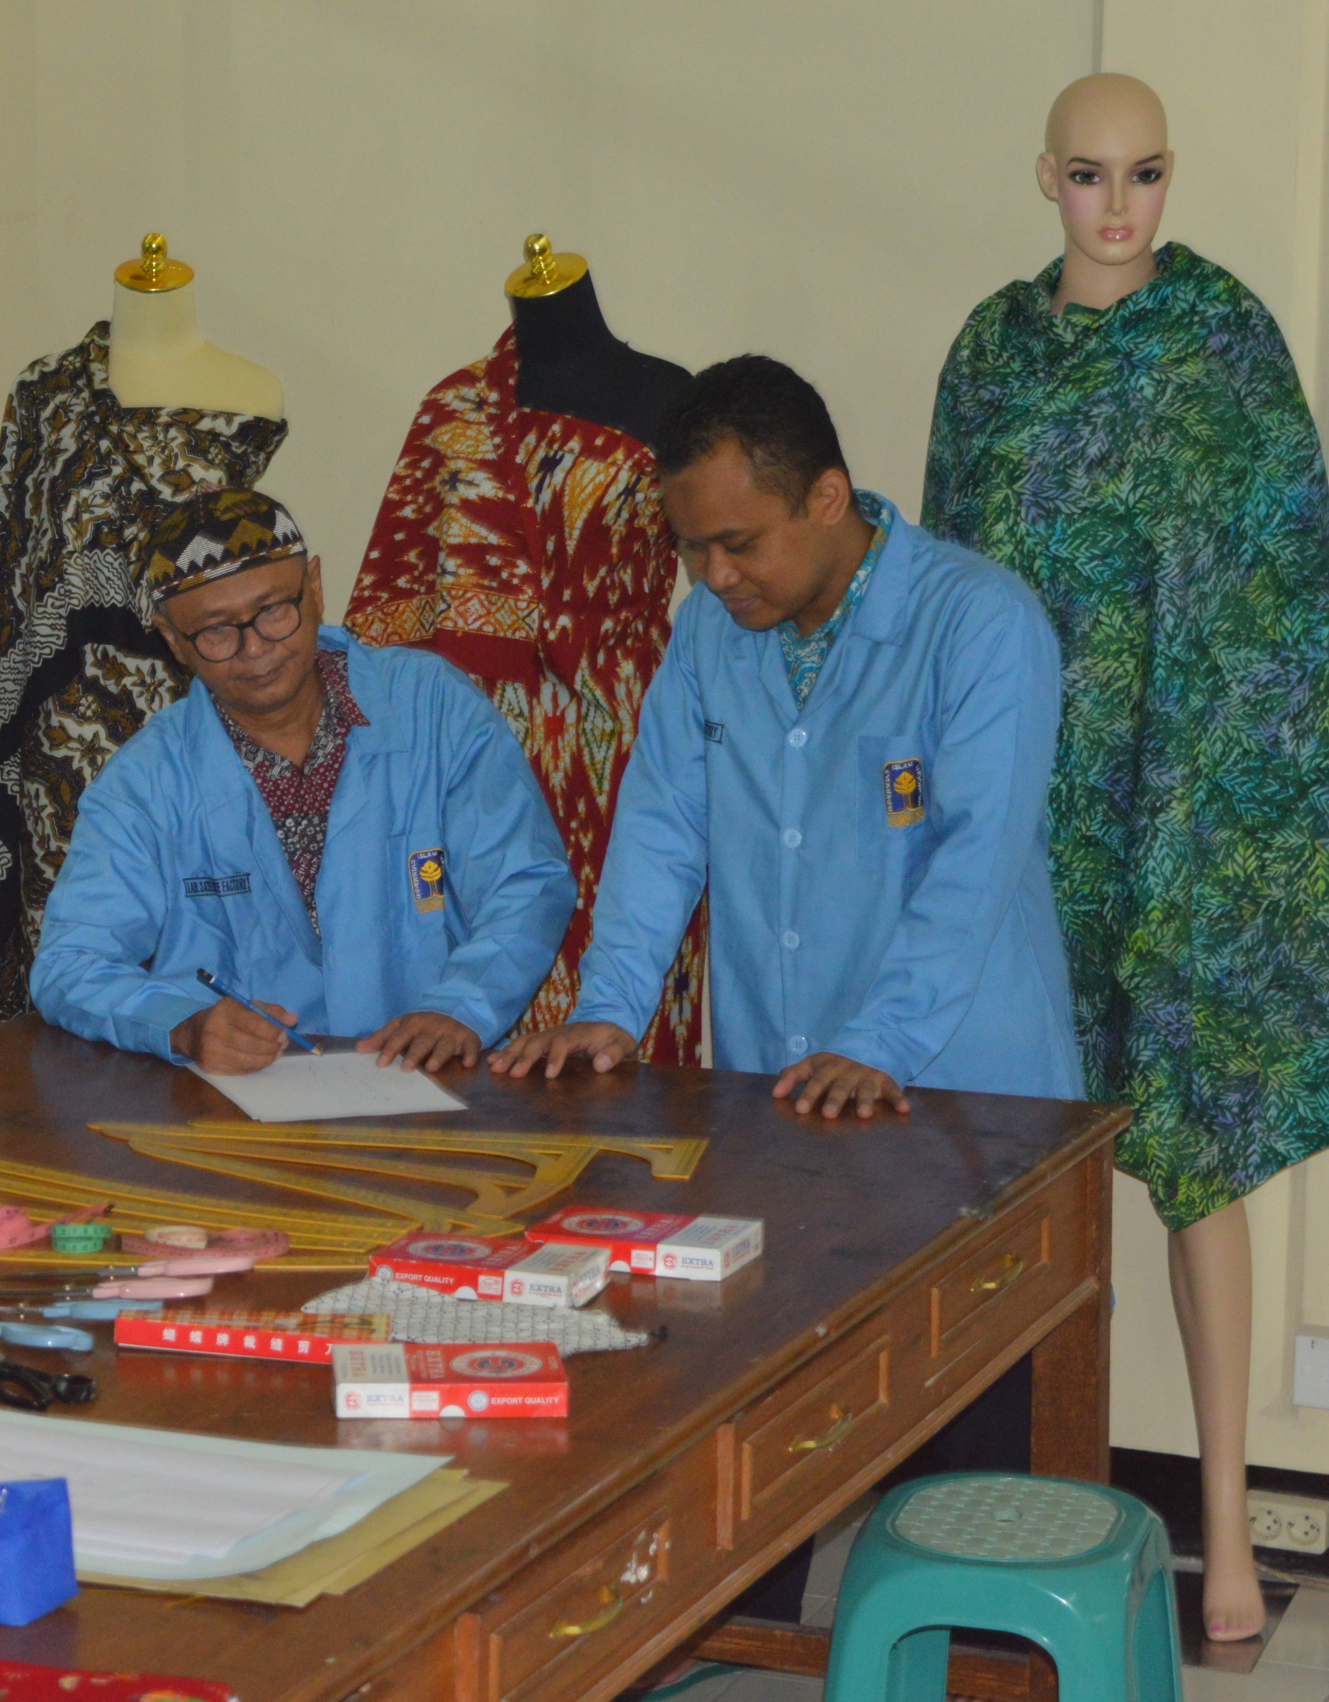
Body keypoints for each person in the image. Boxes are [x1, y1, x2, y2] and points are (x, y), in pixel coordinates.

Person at [923, 73, 1329, 1641]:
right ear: (1045, 178)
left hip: (1184, 808)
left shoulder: (1228, 343)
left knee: (1196, 1166)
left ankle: (1224, 1532)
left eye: (1146, 174)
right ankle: (1020, 1510)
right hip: (1025, 811)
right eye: (1089, 176)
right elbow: (953, 580)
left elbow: (1285, 593)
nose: (1119, 207)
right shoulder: (989, 353)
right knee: (1022, 1158)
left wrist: (1228, 809)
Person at [494, 355, 1081, 1112]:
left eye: (739, 544)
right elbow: (662, 828)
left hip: (972, 1098)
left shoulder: (980, 624)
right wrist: (609, 1007)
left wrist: (881, 1042)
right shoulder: (708, 630)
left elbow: (974, 861)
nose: (714, 576)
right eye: (690, 547)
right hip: (780, 1095)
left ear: (827, 498)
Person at [30, 488, 574, 1075]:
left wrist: (464, 1007)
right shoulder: (145, 781)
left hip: (425, 1078)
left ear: (314, 588)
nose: (256, 649)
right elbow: (72, 963)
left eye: (274, 612)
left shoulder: (432, 706)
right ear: (171, 642)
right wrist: (182, 1024)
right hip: (243, 1104)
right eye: (216, 632)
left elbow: (525, 882)